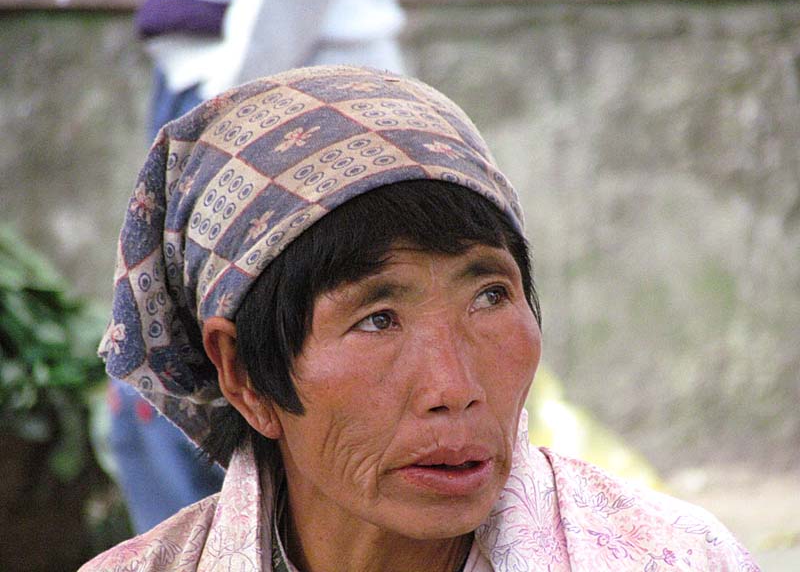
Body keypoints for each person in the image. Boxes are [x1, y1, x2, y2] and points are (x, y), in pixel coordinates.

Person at [82, 65, 759, 571]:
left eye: (490, 296)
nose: (453, 387)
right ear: (244, 374)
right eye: (378, 319)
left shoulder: (675, 558)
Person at [107, 0, 407, 533]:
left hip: (279, 98)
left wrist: (226, 109)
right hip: (234, 82)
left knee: (200, 394)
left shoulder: (249, 103)